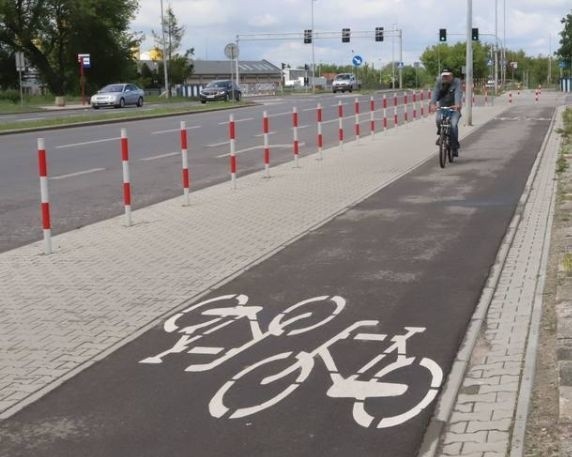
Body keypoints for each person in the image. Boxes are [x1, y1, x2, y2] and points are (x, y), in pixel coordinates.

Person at [430, 69, 462, 156]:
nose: (445, 77)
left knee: (453, 125)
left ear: (451, 76)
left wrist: (457, 104)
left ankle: (454, 147)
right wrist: (433, 104)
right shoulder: (439, 81)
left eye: (447, 76)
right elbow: (435, 92)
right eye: (443, 75)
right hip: (442, 107)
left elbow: (458, 93)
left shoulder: (457, 82)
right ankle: (442, 135)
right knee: (438, 120)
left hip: (454, 108)